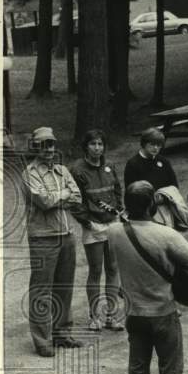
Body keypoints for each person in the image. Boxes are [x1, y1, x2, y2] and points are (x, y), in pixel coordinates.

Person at [108, 181, 188, 374]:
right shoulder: (165, 235)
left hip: (134, 313)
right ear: (152, 205)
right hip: (162, 311)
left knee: (138, 370)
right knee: (170, 369)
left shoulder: (115, 231)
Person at [25, 127, 84, 357]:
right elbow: (44, 201)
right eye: (43, 145)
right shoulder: (29, 173)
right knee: (42, 289)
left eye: (50, 144)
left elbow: (78, 197)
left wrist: (59, 197)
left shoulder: (62, 170)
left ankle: (62, 333)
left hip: (66, 234)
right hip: (42, 237)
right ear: (35, 147)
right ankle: (42, 339)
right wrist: (63, 195)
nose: (48, 149)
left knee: (64, 285)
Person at [70, 129, 125, 331]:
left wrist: (118, 211)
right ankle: (95, 316)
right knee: (95, 270)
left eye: (100, 144)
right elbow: (74, 200)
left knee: (112, 269)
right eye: (93, 144)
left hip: (112, 224)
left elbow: (118, 191)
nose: (97, 148)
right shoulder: (76, 169)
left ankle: (112, 315)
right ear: (86, 146)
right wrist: (86, 222)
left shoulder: (109, 166)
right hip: (93, 226)